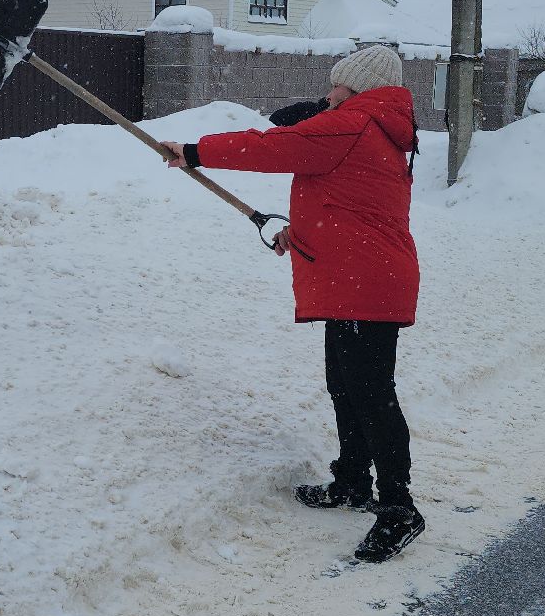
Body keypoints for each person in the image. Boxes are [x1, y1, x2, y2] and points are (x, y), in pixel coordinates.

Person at [159, 44, 423, 563]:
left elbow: (271, 147)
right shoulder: (377, 128)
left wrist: (193, 151)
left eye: (336, 84)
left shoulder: (353, 123)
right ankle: (353, 481)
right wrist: (301, 235)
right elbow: (352, 205)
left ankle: (399, 508)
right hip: (362, 278)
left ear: (357, 86)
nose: (328, 92)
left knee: (371, 395)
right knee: (347, 387)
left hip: (366, 284)